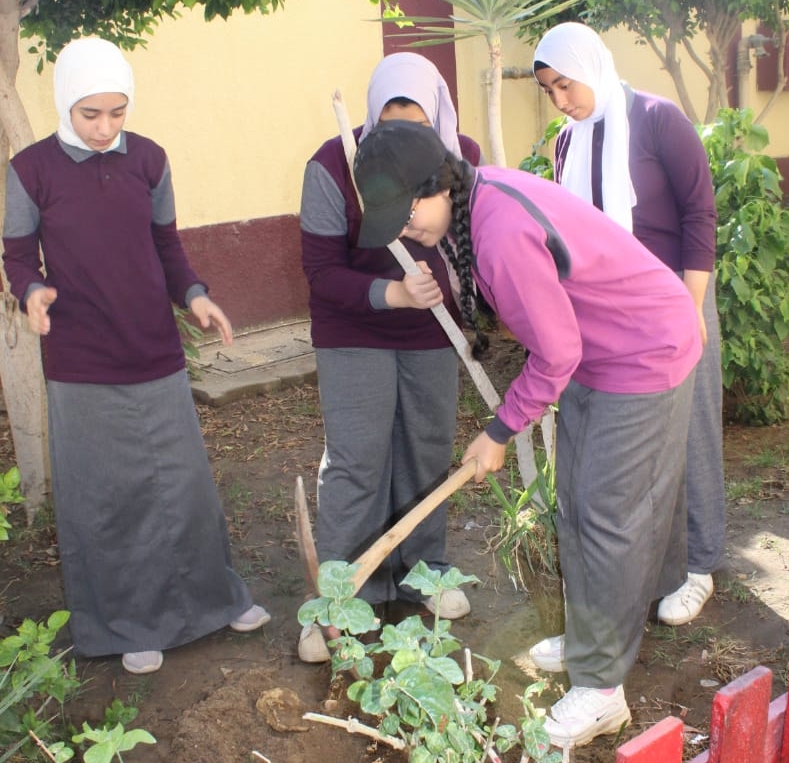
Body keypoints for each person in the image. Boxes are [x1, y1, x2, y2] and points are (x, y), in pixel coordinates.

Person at [352, 119, 702, 749]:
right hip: (603, 352)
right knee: (580, 503)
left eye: (405, 216)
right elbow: (562, 343)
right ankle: (593, 636)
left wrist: (500, 429)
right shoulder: (479, 199)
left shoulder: (500, 232)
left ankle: (601, 690)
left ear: (437, 186)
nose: (406, 232)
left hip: (644, 351)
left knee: (608, 516)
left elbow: (556, 350)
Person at [2, 37, 269, 676]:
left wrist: (196, 295)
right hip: (82, 358)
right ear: (67, 103)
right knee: (108, 497)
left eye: (117, 112)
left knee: (184, 488)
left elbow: (167, 246)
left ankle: (211, 601)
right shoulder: (31, 169)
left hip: (155, 349)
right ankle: (131, 622)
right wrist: (33, 293)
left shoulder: (148, 159)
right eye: (90, 114)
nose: (104, 127)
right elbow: (16, 255)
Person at [530, 23, 725, 648]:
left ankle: (700, 566)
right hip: (614, 314)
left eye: (566, 83)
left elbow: (699, 213)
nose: (562, 100)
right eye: (549, 90)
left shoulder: (658, 120)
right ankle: (657, 570)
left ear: (591, 65)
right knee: (642, 444)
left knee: (691, 430)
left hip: (677, 294)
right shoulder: (566, 143)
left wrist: (691, 309)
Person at [297, 53, 483, 663]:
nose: (404, 139)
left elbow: (478, 245)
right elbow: (321, 272)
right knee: (357, 459)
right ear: (373, 117)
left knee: (428, 450)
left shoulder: (464, 159)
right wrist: (391, 293)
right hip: (355, 328)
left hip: (433, 330)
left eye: (418, 126)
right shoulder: (333, 165)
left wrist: (463, 298)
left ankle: (424, 572)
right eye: (391, 124)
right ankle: (340, 599)